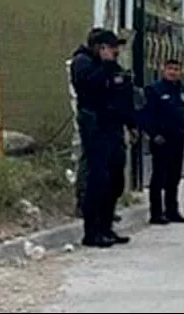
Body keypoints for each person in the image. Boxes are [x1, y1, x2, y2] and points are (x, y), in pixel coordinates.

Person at [70, 28, 136, 248]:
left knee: (116, 180)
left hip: (113, 127)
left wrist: (132, 124)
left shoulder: (112, 66)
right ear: (101, 48)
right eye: (112, 47)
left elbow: (122, 92)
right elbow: (89, 86)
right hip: (95, 126)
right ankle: (92, 232)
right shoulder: (82, 62)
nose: (116, 52)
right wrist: (106, 65)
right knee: (98, 180)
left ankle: (107, 228)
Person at [141, 59, 184, 225]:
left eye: (177, 69)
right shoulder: (154, 90)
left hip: (178, 140)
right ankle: (156, 213)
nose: (173, 72)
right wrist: (153, 134)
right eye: (170, 69)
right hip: (161, 140)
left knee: (174, 177)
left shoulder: (183, 91)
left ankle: (172, 211)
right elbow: (146, 115)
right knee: (159, 176)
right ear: (163, 70)